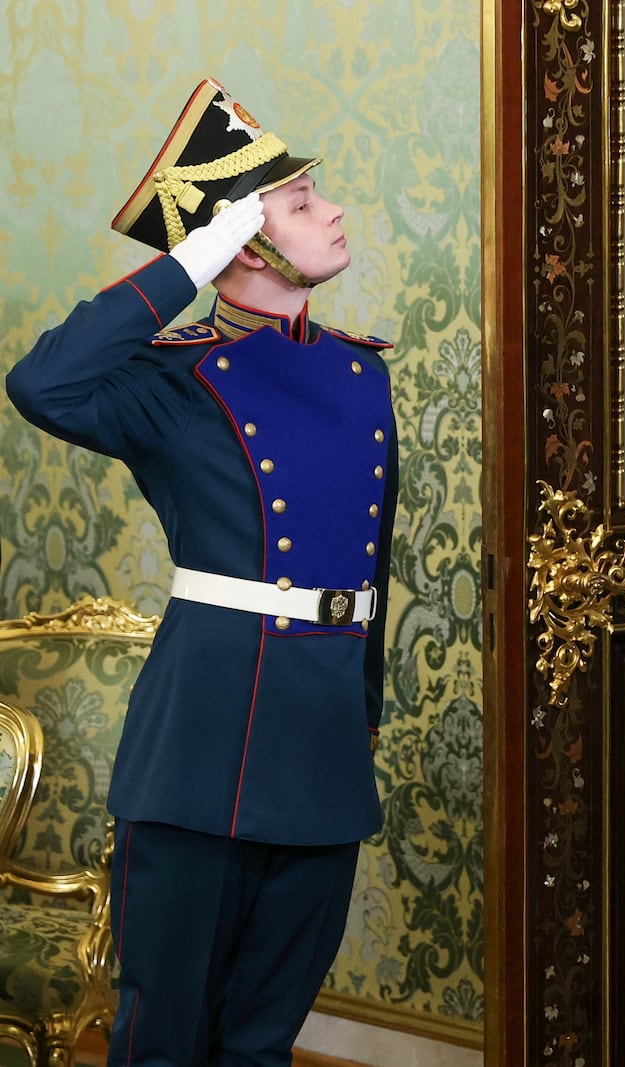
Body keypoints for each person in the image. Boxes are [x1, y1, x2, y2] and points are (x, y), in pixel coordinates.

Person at [7, 78, 397, 1064]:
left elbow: (370, 566)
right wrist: (192, 258)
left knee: (262, 1040)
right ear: (245, 243)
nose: (336, 210)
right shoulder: (167, 384)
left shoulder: (363, 372)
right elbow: (40, 381)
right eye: (304, 204)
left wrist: (360, 720)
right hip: (204, 746)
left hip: (320, 747)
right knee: (164, 1040)